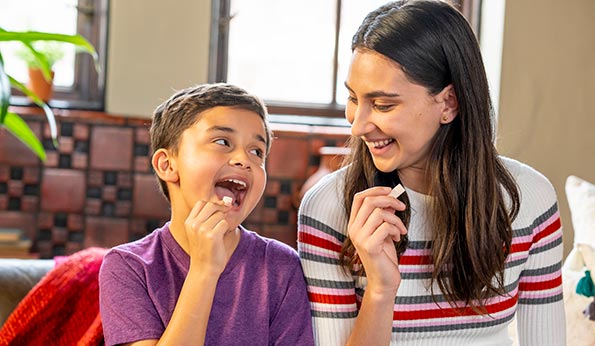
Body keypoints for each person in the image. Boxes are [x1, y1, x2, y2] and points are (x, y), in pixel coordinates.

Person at [297, 1, 565, 345]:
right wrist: (380, 290)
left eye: (383, 104)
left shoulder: (530, 200)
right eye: (353, 98)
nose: (358, 124)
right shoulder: (327, 209)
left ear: (449, 103)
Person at [99, 83, 314, 345]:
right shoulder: (127, 267)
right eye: (223, 142)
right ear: (167, 165)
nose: (244, 160)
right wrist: (203, 271)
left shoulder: (281, 267)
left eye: (256, 151)